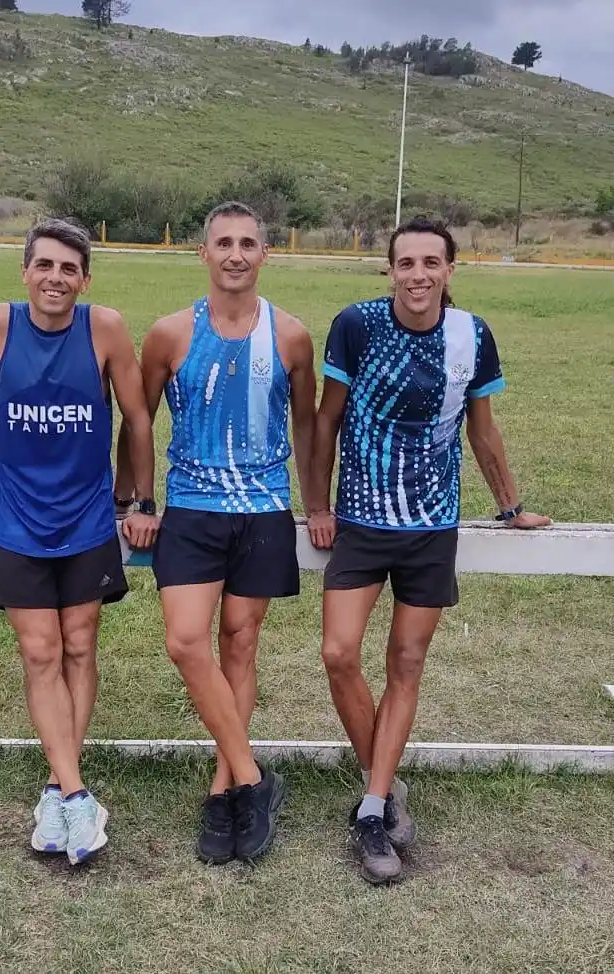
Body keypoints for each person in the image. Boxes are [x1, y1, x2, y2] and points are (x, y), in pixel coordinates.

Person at [307, 217, 550, 885]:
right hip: (359, 520)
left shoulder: (471, 335)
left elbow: (483, 431)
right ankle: (382, 781)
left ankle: (373, 808)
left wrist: (510, 506)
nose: (417, 274)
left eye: (430, 262)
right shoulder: (355, 325)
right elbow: (326, 419)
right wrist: (320, 505)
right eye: (405, 262)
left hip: (430, 526)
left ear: (450, 269)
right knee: (338, 653)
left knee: (406, 662)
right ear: (389, 270)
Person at [0, 218, 159, 866]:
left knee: (79, 643)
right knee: (40, 652)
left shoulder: (106, 329)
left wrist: (142, 501)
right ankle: (75, 793)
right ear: (26, 271)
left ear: (84, 278)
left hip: (89, 518)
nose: (56, 278)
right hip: (16, 519)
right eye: (45, 265)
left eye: (69, 269)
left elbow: (138, 417)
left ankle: (57, 791)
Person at [114, 201, 317, 864]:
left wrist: (317, 503)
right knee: (184, 642)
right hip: (193, 509)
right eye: (223, 243)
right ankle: (255, 779)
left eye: (248, 243)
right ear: (203, 253)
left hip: (262, 510)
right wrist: (139, 500)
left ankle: (224, 787)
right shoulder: (170, 334)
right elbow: (138, 419)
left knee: (242, 644)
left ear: (266, 254)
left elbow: (309, 426)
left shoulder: (290, 336)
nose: (235, 254)